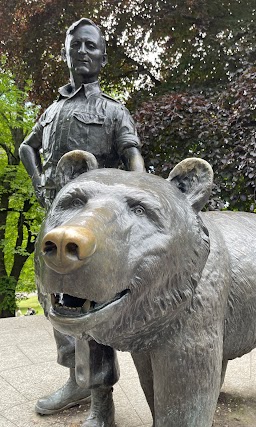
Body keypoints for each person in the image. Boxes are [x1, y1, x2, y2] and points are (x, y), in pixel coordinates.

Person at [19, 18, 145, 427]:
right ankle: (75, 380)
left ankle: (101, 405)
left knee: (89, 307)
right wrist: (39, 182)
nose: (84, 53)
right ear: (67, 53)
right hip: (55, 218)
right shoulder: (53, 109)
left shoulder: (112, 110)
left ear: (103, 56)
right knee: (55, 301)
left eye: (92, 47)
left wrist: (135, 193)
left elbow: (132, 157)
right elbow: (27, 147)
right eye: (77, 47)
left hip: (94, 226)